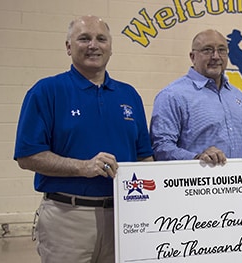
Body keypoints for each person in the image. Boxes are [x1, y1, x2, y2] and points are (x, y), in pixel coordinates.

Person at [13, 15, 154, 263]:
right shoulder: (46, 91)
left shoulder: (129, 94)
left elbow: (145, 157)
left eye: (101, 39)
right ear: (68, 47)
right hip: (67, 217)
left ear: (110, 47)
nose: (93, 45)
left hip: (124, 218)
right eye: (84, 38)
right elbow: (28, 156)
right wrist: (83, 167)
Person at [150, 29, 242, 165]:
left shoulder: (237, 96)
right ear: (193, 57)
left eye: (221, 50)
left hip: (239, 184)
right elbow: (161, 148)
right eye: (207, 50)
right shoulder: (172, 96)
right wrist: (197, 158)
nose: (215, 56)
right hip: (195, 183)